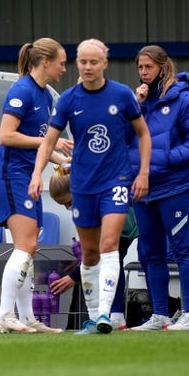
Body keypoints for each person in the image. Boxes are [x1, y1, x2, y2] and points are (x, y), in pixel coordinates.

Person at [29, 38, 152, 335]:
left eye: (93, 62)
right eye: (82, 62)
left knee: (110, 245)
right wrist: (37, 174)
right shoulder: (69, 99)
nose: (87, 67)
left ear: (104, 64)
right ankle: (94, 316)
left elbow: (143, 135)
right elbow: (49, 141)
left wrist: (143, 173)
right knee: (90, 253)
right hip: (83, 185)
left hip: (116, 181)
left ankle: (105, 316)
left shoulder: (122, 95)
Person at [0, 37, 73, 334]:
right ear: (46, 62)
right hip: (11, 176)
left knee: (27, 249)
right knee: (27, 246)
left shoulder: (46, 96)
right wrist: (48, 141)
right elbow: (7, 137)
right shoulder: (22, 89)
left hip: (28, 175)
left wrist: (60, 156)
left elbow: (38, 145)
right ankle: (4, 316)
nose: (65, 68)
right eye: (62, 62)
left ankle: (27, 318)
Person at [127, 45, 189, 331]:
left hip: (174, 187)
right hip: (143, 189)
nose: (143, 72)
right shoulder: (137, 101)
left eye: (148, 67)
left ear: (163, 67)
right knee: (151, 253)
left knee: (183, 250)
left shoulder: (184, 99)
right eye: (140, 67)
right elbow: (126, 139)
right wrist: (136, 106)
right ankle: (159, 314)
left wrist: (163, 160)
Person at [48, 169, 139, 330]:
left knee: (111, 260)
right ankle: (114, 315)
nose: (68, 207)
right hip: (122, 224)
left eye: (69, 202)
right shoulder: (85, 203)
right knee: (113, 261)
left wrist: (73, 277)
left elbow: (97, 253)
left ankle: (111, 315)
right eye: (63, 205)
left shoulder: (98, 200)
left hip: (126, 225)